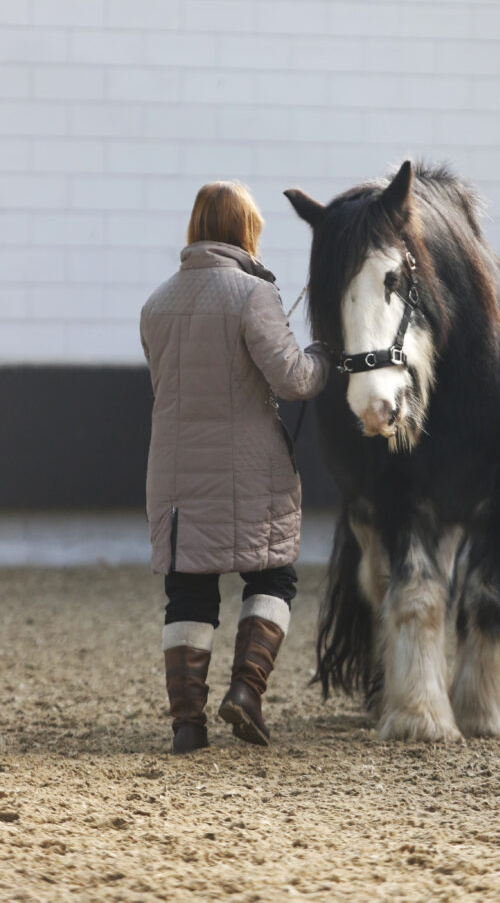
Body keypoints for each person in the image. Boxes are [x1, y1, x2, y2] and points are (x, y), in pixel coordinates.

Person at [140, 181, 330, 754]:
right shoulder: (253, 295)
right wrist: (323, 354)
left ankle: (187, 726)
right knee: (273, 576)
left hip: (173, 474)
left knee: (188, 594)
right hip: (250, 470)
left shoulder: (156, 303)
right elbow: (293, 380)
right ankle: (246, 692)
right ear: (244, 231)